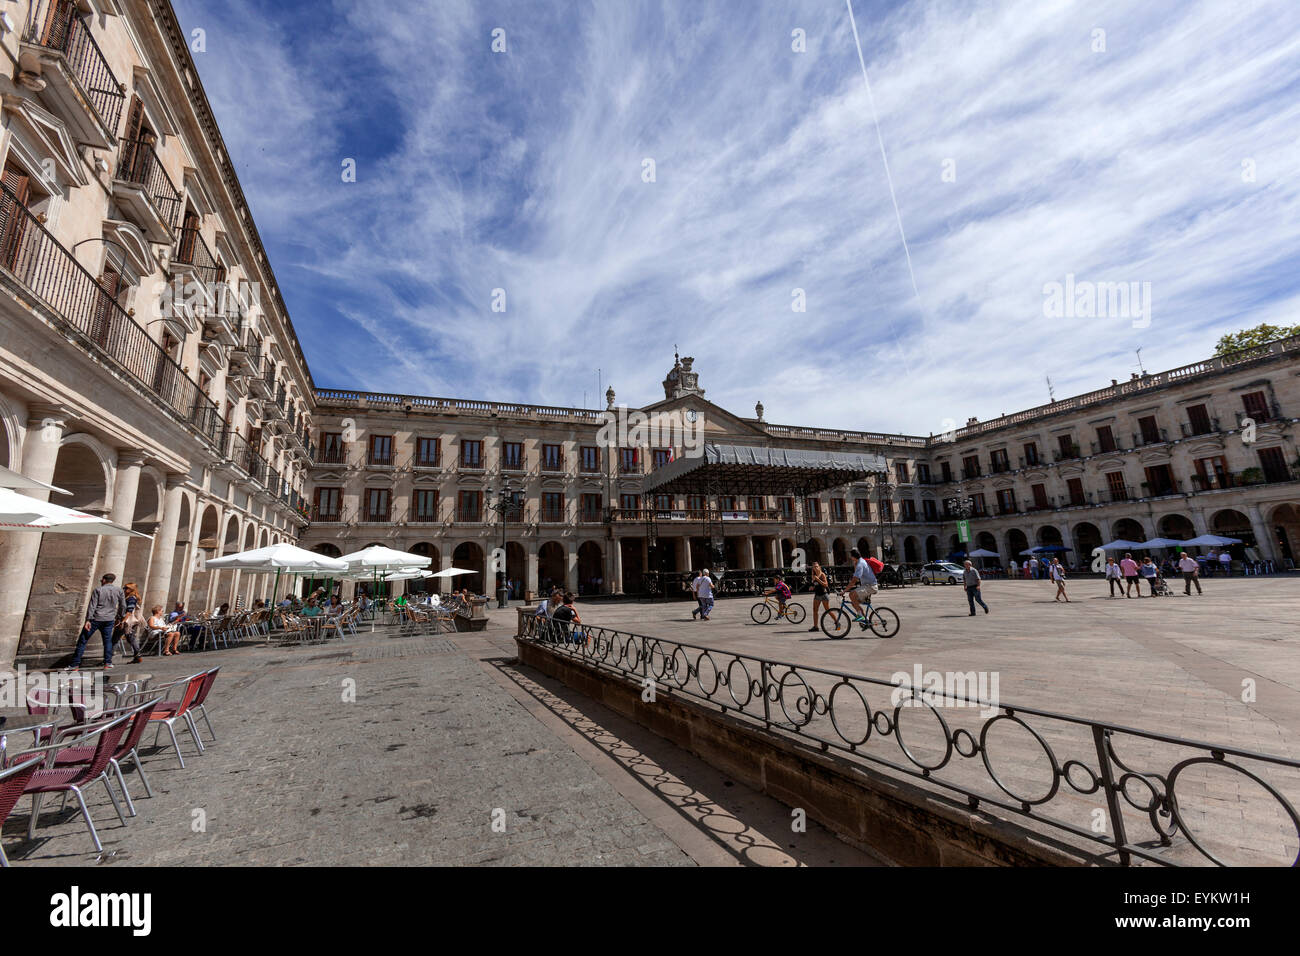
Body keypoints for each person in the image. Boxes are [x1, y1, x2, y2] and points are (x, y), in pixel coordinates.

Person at [67, 573, 127, 670]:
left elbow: (92, 606)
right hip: (109, 619)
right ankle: (108, 662)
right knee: (107, 641)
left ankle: (75, 664)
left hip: (96, 618)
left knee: (83, 641)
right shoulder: (119, 590)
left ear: (104, 580)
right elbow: (123, 605)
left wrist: (88, 620)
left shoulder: (98, 590)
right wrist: (120, 617)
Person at [845, 548, 877, 626]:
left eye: (851, 556)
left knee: (851, 594)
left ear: (853, 557)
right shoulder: (861, 562)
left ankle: (860, 616)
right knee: (854, 602)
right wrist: (854, 564)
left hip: (870, 586)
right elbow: (857, 575)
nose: (850, 558)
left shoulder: (860, 564)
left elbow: (854, 580)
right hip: (868, 586)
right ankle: (866, 620)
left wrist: (844, 590)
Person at [117, 581, 146, 664]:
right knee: (130, 638)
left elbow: (129, 611)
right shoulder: (129, 597)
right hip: (127, 621)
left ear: (130, 589)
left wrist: (123, 621)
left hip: (128, 622)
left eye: (125, 588)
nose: (124, 589)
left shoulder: (131, 598)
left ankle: (108, 659)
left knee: (121, 638)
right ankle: (138, 656)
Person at [808, 562, 830, 631]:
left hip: (824, 594)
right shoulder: (813, 576)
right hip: (817, 595)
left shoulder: (822, 575)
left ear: (819, 567)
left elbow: (826, 585)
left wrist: (818, 579)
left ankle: (837, 622)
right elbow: (815, 585)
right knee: (815, 610)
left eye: (817, 566)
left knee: (828, 611)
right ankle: (815, 627)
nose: (816, 568)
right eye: (814, 567)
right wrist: (812, 587)